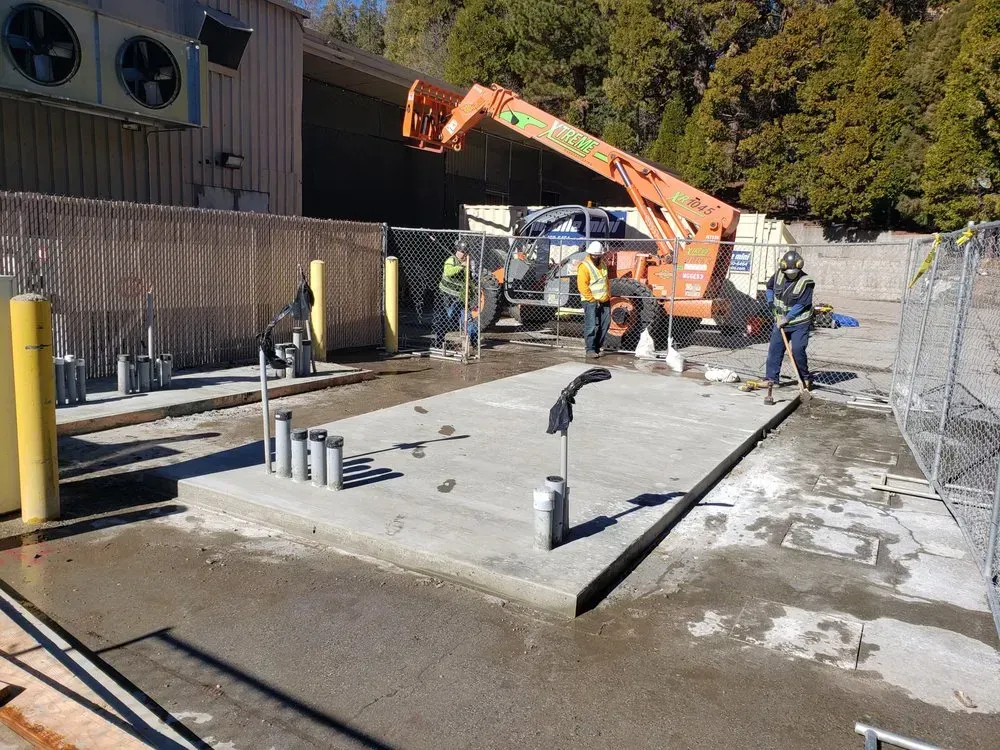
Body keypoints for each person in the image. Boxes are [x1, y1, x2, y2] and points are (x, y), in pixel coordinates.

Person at [765, 249, 814, 387]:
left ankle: (805, 377)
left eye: (793, 273)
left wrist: (787, 318)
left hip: (799, 323)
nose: (790, 275)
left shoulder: (806, 282)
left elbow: (802, 303)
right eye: (788, 273)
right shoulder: (779, 275)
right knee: (775, 350)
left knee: (797, 350)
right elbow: (769, 288)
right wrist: (770, 302)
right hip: (780, 320)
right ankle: (771, 379)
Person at [432, 240, 477, 349]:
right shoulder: (451, 260)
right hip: (446, 295)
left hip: (459, 297)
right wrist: (461, 266)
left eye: (465, 252)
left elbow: (469, 280)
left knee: (468, 318)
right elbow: (448, 272)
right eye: (462, 252)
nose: (463, 254)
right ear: (457, 251)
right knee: (446, 318)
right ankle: (439, 341)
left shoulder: (468, 264)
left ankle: (474, 342)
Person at [577, 240, 611, 358]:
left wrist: (607, 296)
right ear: (590, 254)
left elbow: (605, 282)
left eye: (598, 254)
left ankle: (597, 347)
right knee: (591, 325)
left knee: (605, 324)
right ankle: (590, 349)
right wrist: (592, 300)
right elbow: (582, 285)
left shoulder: (603, 265)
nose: (596, 256)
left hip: (604, 300)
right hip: (590, 300)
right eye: (594, 254)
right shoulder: (584, 266)